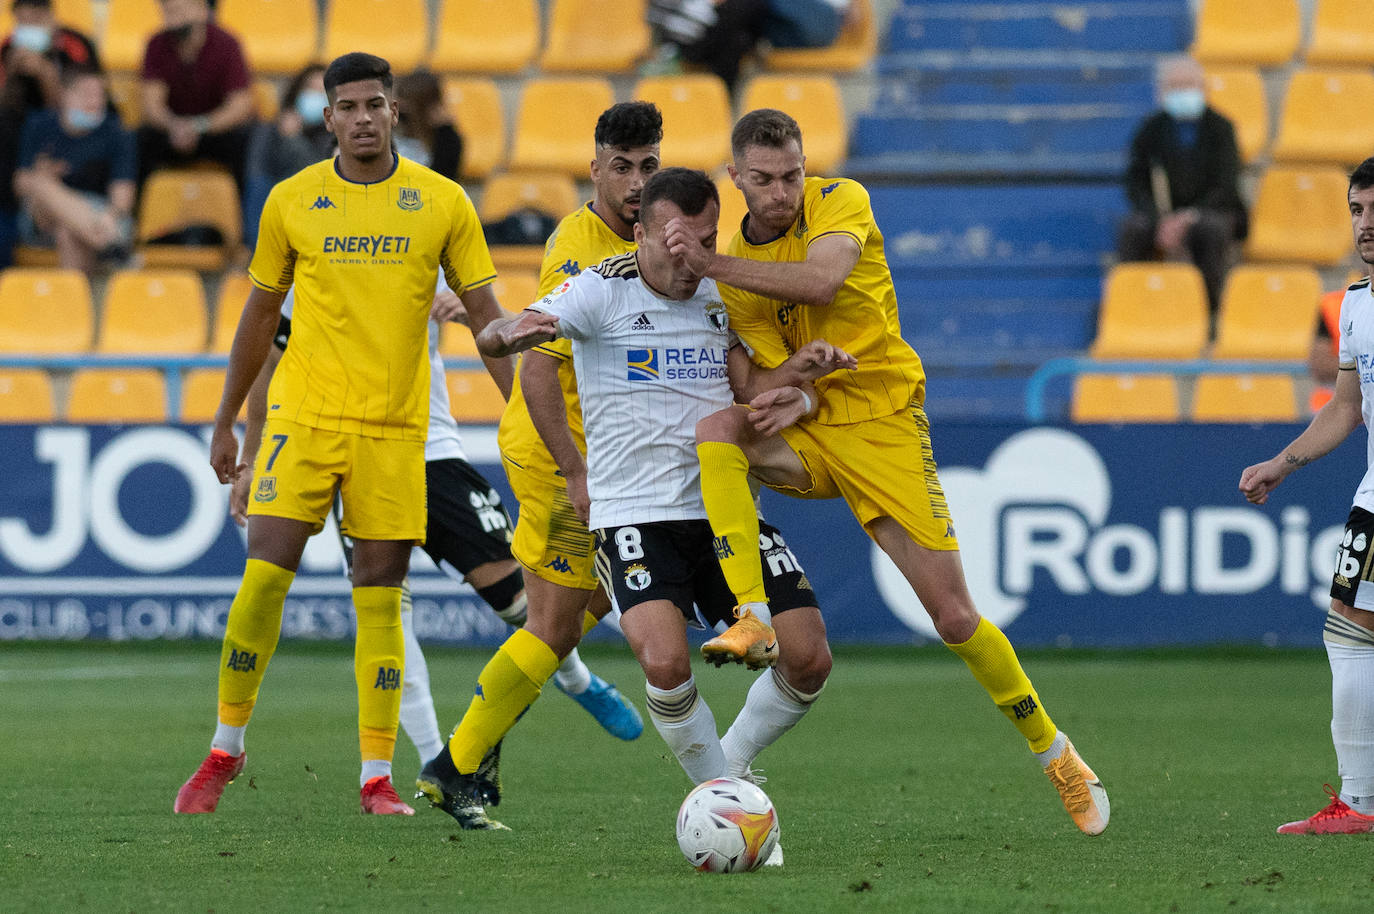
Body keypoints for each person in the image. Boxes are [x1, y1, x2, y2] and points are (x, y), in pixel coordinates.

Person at [667, 108, 1110, 836]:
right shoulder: (736, 280)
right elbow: (756, 380)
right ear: (737, 178)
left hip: (883, 425)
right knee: (719, 428)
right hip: (808, 427)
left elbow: (820, 282)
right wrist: (791, 383)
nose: (782, 192)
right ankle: (751, 614)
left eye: (792, 175)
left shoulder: (842, 202)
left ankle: (1056, 752)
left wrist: (707, 264)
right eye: (765, 180)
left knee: (955, 616)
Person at [425, 170, 851, 859]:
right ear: (641, 233)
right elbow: (519, 336)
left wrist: (799, 370)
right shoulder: (598, 286)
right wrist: (506, 337)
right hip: (635, 515)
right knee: (662, 662)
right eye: (680, 244)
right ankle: (730, 806)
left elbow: (752, 389)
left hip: (723, 509)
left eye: (708, 241)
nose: (693, 261)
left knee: (809, 658)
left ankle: (726, 776)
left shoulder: (718, 291)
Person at [173, 51, 510, 816]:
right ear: (327, 118)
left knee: (381, 598)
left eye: (374, 105)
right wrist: (229, 423)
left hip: (394, 431)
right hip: (304, 418)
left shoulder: (443, 203)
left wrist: (523, 410)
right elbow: (260, 318)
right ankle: (223, 750)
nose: (362, 118)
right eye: (347, 106)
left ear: (396, 113)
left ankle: (376, 778)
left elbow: (488, 317)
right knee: (265, 577)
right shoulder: (293, 201)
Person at [226, 282, 645, 766]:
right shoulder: (313, 256)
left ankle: (576, 679)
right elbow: (269, 358)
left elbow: (513, 328)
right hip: (357, 456)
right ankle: (434, 759)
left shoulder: (427, 233)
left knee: (519, 601)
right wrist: (252, 453)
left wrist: (475, 326)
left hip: (432, 449)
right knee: (387, 612)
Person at [408, 101, 663, 829]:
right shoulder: (577, 249)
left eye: (649, 165)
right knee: (555, 627)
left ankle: (462, 754)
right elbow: (543, 372)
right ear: (595, 170)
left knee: (580, 614)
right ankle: (457, 763)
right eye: (622, 167)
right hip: (562, 454)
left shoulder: (659, 234)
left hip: (612, 458)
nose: (636, 181)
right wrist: (574, 472)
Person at [1239, 155, 1374, 836]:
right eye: (1357, 211)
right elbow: (1347, 406)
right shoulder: (1356, 304)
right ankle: (1357, 804)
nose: (1367, 225)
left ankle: (1359, 804)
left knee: (1352, 639)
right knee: (1350, 635)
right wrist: (1283, 462)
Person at [1117, 53, 1247, 317]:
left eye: (1188, 85)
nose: (1183, 92)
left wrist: (1188, 217)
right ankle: (1133, 309)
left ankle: (1210, 313)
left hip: (1210, 211)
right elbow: (1136, 182)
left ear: (1202, 88)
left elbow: (1226, 185)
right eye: (1175, 87)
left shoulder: (1221, 128)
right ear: (1161, 92)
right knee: (1134, 229)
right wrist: (1159, 219)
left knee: (1211, 230)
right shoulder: (1151, 129)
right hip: (1163, 214)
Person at [0, 0, 101, 266]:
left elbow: (82, 109)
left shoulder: (74, 44)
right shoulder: (9, 47)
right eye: (22, 20)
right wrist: (12, 73)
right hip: (21, 138)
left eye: (34, 18)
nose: (28, 26)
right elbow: (6, 103)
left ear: (49, 16)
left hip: (67, 134)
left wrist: (44, 72)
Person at [13, 64, 134, 271]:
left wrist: (105, 218)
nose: (95, 102)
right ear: (65, 95)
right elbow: (21, 183)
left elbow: (122, 198)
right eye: (87, 94)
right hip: (42, 216)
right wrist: (46, 176)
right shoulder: (39, 124)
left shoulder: (116, 132)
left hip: (102, 214)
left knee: (67, 232)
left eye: (100, 95)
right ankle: (109, 244)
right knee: (41, 183)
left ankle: (74, 301)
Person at [137, 0, 255, 192]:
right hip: (172, 130)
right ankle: (136, 216)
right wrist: (173, 125)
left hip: (214, 130)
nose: (175, 14)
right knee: (140, 140)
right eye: (169, 9)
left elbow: (240, 105)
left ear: (203, 10)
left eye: (183, 8)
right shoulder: (156, 44)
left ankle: (247, 216)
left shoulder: (227, 44)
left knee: (247, 141)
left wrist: (200, 126)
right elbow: (152, 105)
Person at [243, 63, 333, 245]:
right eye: (311, 89)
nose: (315, 97)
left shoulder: (335, 136)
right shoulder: (268, 131)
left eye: (321, 91)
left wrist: (292, 139)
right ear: (297, 91)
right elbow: (256, 176)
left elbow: (315, 176)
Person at [393, 68, 462, 181]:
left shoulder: (446, 140)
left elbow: (444, 179)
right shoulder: (388, 132)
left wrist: (445, 130)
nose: (401, 109)